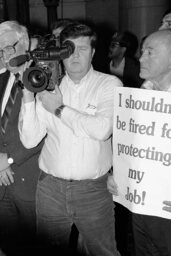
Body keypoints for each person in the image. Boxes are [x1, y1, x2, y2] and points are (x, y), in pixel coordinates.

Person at [18, 22, 122, 255]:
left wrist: (59, 109)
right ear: (60, 54)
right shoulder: (49, 86)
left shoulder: (108, 84)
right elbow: (30, 140)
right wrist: (28, 97)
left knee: (102, 251)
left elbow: (102, 130)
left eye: (83, 49)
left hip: (93, 191)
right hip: (50, 189)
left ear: (93, 53)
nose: (75, 55)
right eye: (69, 49)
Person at [0, 21, 43, 255]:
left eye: (9, 48)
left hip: (29, 180)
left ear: (24, 44)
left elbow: (42, 134)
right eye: (0, 51)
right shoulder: (4, 78)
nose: (5, 56)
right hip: (2, 183)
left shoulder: (44, 77)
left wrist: (7, 160)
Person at [132, 29, 171, 255]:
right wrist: (120, 176)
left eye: (150, 52)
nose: (141, 57)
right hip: (143, 202)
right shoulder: (142, 92)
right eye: (142, 51)